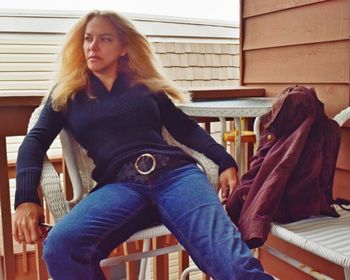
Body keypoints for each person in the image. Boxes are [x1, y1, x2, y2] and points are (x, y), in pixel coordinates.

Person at [13, 10, 273, 280]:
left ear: (124, 47)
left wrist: (225, 161)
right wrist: (25, 198)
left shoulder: (145, 87)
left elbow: (185, 128)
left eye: (105, 39)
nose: (93, 46)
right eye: (88, 39)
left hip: (177, 177)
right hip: (119, 187)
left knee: (233, 263)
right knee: (60, 246)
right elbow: (34, 141)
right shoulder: (66, 94)